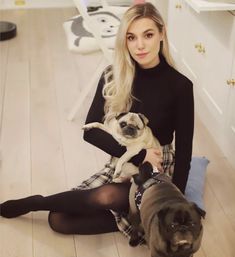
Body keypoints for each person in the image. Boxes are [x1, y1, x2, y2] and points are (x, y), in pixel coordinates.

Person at [0, 3, 194, 242]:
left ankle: (36, 202)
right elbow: (89, 131)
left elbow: (185, 149)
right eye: (131, 37)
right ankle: (139, 219)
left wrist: (177, 201)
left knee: (104, 197)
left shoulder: (181, 86)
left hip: (157, 166)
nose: (140, 45)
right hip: (124, 159)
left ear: (162, 33)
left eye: (148, 35)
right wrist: (135, 156)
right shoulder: (113, 75)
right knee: (58, 219)